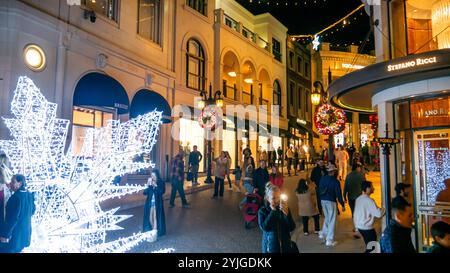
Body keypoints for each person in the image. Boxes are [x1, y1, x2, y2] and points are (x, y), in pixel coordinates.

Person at [0, 174, 35, 253]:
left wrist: (5, 235)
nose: (10, 184)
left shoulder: (15, 198)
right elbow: (32, 211)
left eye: (13, 182)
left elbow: (12, 219)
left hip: (14, 237)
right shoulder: (29, 195)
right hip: (25, 235)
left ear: (20, 184)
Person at [258, 183, 296, 253]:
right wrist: (273, 212)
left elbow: (291, 227)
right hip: (270, 249)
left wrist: (287, 215)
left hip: (286, 248)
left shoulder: (284, 208)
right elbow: (264, 228)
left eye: (278, 197)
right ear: (268, 199)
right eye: (273, 198)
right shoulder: (262, 211)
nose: (277, 200)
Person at [353, 181, 385, 252]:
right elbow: (378, 214)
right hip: (368, 229)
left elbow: (355, 215)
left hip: (360, 227)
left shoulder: (358, 199)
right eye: (372, 187)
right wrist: (384, 209)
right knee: (373, 249)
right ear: (367, 189)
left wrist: (356, 228)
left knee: (370, 247)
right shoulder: (369, 200)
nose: (374, 188)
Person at [318, 164, 346, 247]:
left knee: (327, 218)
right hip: (331, 202)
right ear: (333, 172)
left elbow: (319, 189)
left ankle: (323, 234)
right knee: (332, 220)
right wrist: (342, 204)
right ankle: (329, 240)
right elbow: (338, 194)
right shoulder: (335, 181)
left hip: (323, 200)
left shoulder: (323, 178)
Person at [143, 169, 166, 237]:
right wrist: (147, 184)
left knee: (156, 216)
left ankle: (155, 231)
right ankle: (154, 229)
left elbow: (162, 192)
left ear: (157, 175)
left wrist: (156, 185)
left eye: (154, 175)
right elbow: (144, 193)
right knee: (150, 217)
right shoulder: (150, 183)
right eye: (151, 175)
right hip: (150, 203)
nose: (152, 177)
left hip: (158, 202)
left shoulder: (161, 182)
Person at [344, 163, 364, 238]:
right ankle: (358, 229)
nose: (360, 169)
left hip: (350, 197)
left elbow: (345, 187)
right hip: (359, 197)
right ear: (357, 168)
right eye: (359, 167)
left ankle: (356, 227)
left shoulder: (348, 176)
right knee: (359, 213)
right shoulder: (361, 175)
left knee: (353, 213)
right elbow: (364, 186)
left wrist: (344, 196)